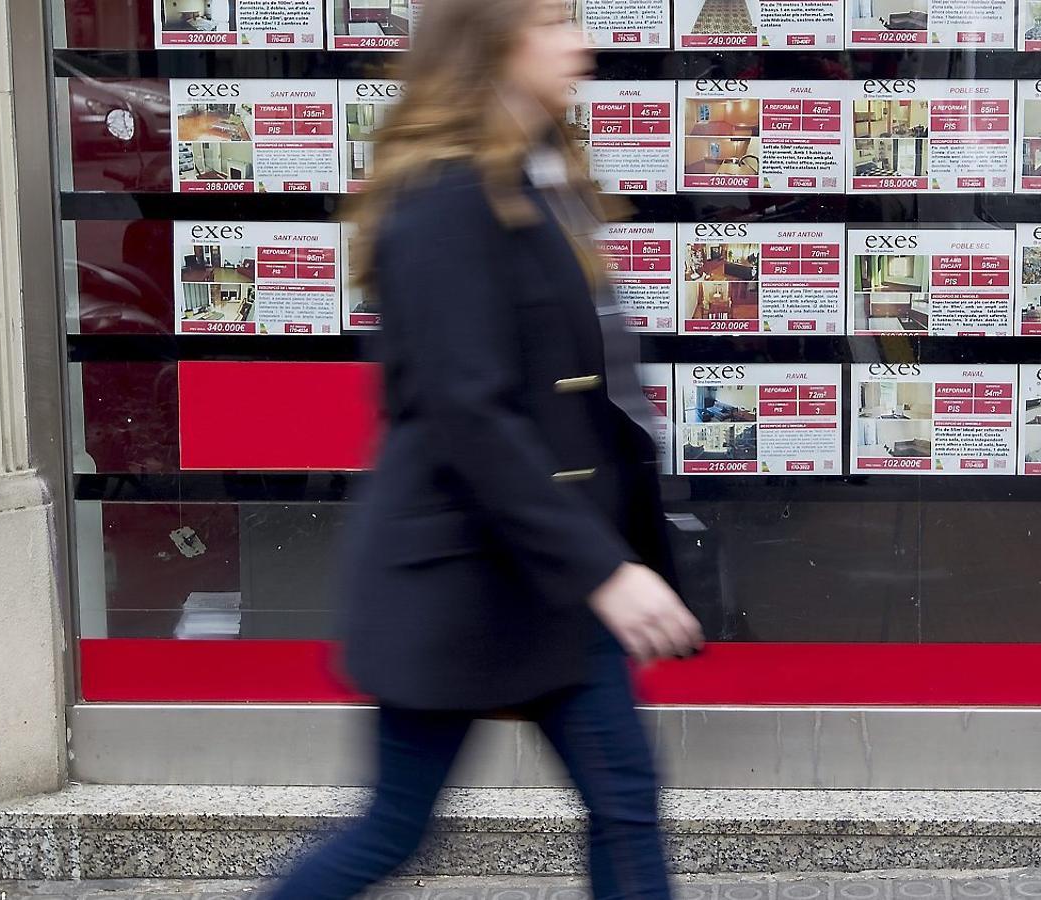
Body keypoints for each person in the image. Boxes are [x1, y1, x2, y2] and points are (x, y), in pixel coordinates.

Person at [266, 0, 704, 894]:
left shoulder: (527, 177)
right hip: (465, 577)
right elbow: (473, 415)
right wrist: (606, 570)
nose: (579, 43)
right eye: (552, 20)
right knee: (394, 829)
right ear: (490, 42)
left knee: (625, 805)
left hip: (541, 574)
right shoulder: (445, 202)